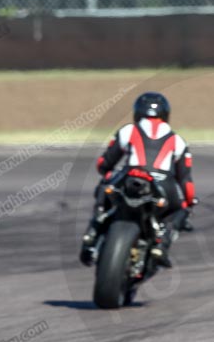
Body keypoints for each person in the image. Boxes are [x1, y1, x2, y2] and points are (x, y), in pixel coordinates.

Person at [79, 92, 195, 268]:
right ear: (165, 114)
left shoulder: (128, 131)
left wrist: (107, 173)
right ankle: (161, 245)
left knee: (105, 186)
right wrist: (189, 201)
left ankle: (92, 232)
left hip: (129, 176)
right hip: (163, 184)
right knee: (180, 209)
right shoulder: (178, 141)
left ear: (138, 112)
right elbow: (185, 180)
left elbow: (104, 163)